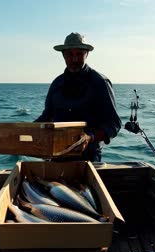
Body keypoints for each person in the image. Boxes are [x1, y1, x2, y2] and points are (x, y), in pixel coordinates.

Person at [35, 32, 121, 162]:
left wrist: (89, 137)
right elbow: (47, 117)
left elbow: (114, 124)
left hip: (89, 159)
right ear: (63, 55)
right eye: (70, 54)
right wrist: (25, 131)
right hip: (57, 156)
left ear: (87, 53)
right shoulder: (56, 84)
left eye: (79, 54)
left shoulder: (100, 82)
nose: (74, 59)